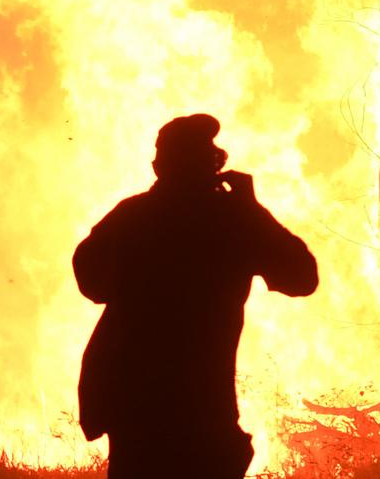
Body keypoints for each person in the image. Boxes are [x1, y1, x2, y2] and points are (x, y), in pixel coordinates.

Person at [72, 113, 318, 478]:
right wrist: (252, 209)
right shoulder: (232, 221)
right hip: (202, 407)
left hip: (135, 400)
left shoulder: (131, 217)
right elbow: (301, 277)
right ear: (214, 165)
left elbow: (90, 280)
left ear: (160, 166)